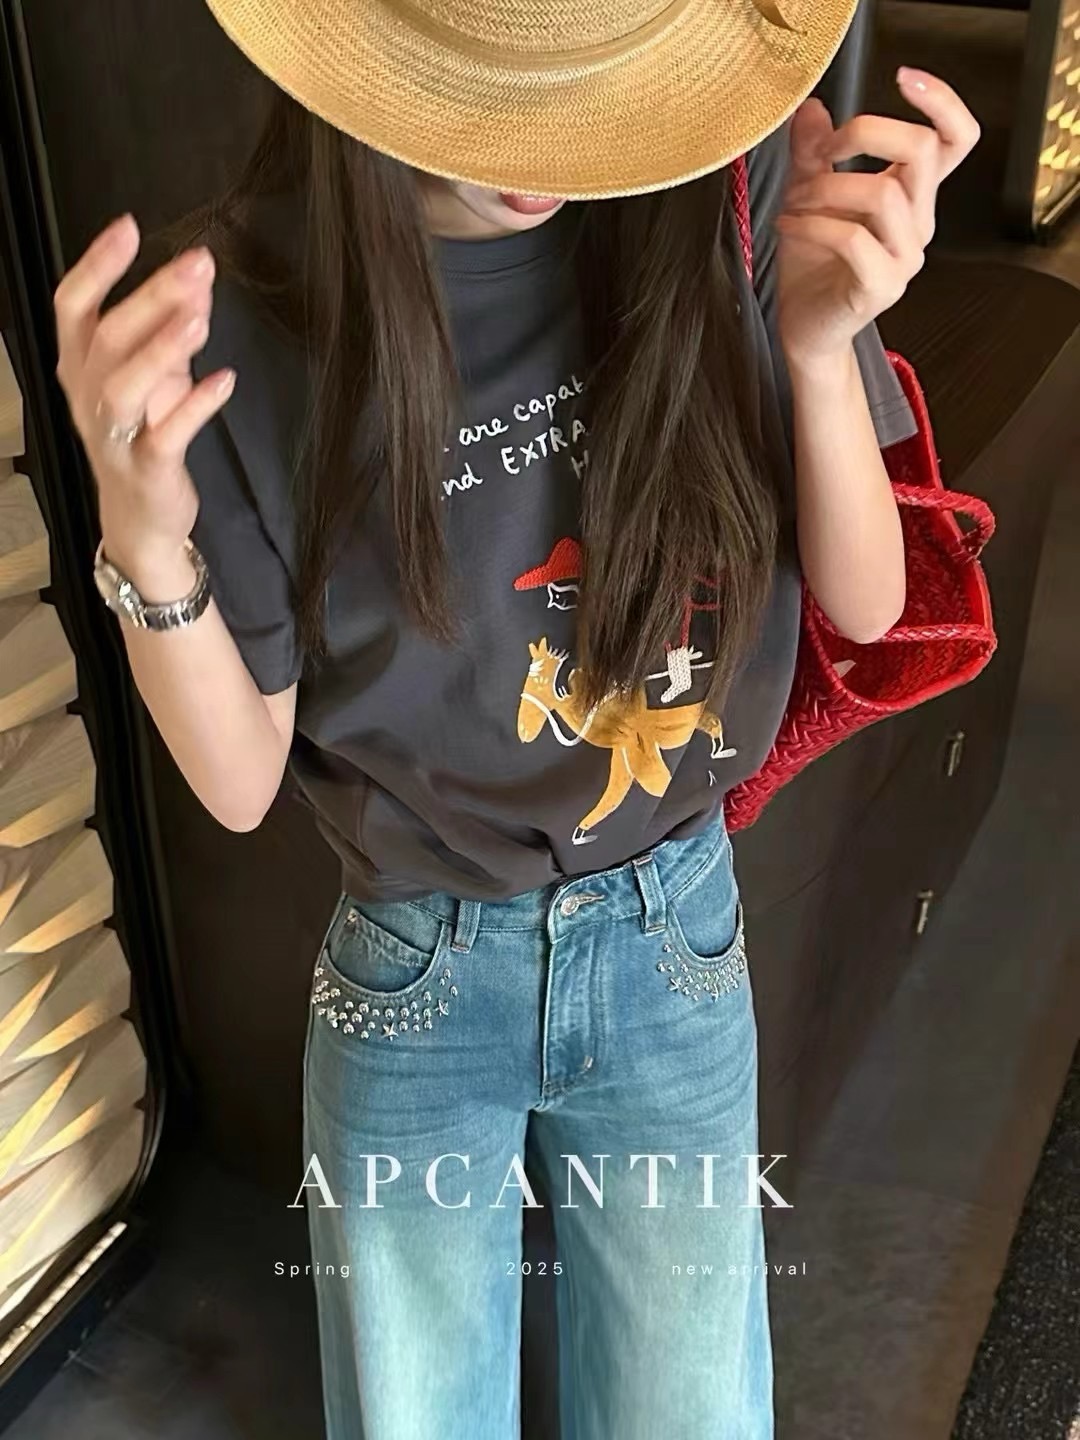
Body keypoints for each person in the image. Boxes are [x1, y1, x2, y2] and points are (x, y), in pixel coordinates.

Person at [52, 0, 980, 1433]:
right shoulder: (232, 314)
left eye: (583, 79)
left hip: (674, 938)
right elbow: (238, 783)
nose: (544, 151)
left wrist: (817, 345)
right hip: (416, 965)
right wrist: (144, 540)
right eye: (493, 87)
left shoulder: (722, 198)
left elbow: (865, 604)